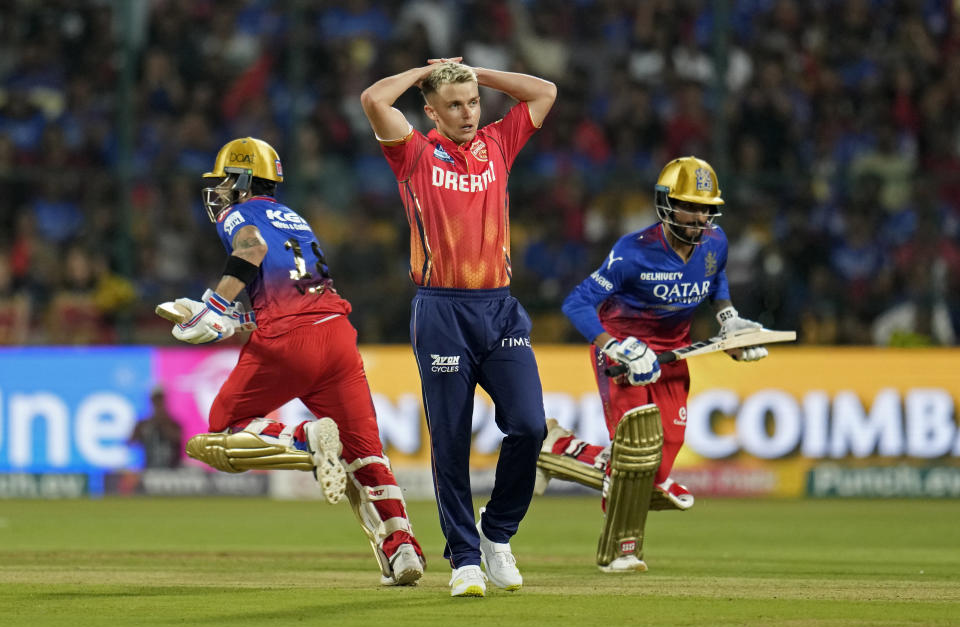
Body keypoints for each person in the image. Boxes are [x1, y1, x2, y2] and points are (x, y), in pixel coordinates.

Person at [171, 137, 425, 587]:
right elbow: (291, 291)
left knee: (224, 425)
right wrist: (235, 321)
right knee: (366, 452)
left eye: (227, 181)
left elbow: (250, 252)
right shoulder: (294, 218)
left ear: (245, 179)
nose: (220, 192)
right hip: (336, 334)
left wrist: (214, 306)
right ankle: (402, 548)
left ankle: (306, 438)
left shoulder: (240, 214)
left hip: (289, 342)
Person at [360, 59, 556, 597]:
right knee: (450, 440)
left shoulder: (498, 143)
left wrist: (474, 74)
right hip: (441, 310)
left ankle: (497, 533)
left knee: (530, 426)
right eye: (454, 105)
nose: (468, 113)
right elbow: (375, 99)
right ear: (430, 111)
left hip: (499, 308)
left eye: (472, 103)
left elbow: (544, 91)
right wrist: (425, 72)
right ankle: (465, 559)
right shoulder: (414, 153)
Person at [539, 156, 770, 571]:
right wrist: (614, 345)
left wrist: (729, 322)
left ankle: (558, 447)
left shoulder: (716, 243)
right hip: (624, 356)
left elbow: (716, 282)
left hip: (674, 353)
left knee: (661, 462)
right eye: (689, 206)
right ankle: (621, 551)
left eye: (705, 208)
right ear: (666, 203)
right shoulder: (632, 253)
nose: (700, 217)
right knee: (636, 456)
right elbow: (576, 302)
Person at [127, 386, 183, 469]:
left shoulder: (173, 423)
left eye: (160, 400)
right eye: (156, 400)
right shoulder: (144, 423)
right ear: (151, 402)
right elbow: (130, 442)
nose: (158, 403)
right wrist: (142, 430)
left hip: (172, 471)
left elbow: (179, 440)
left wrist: (163, 423)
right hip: (150, 469)